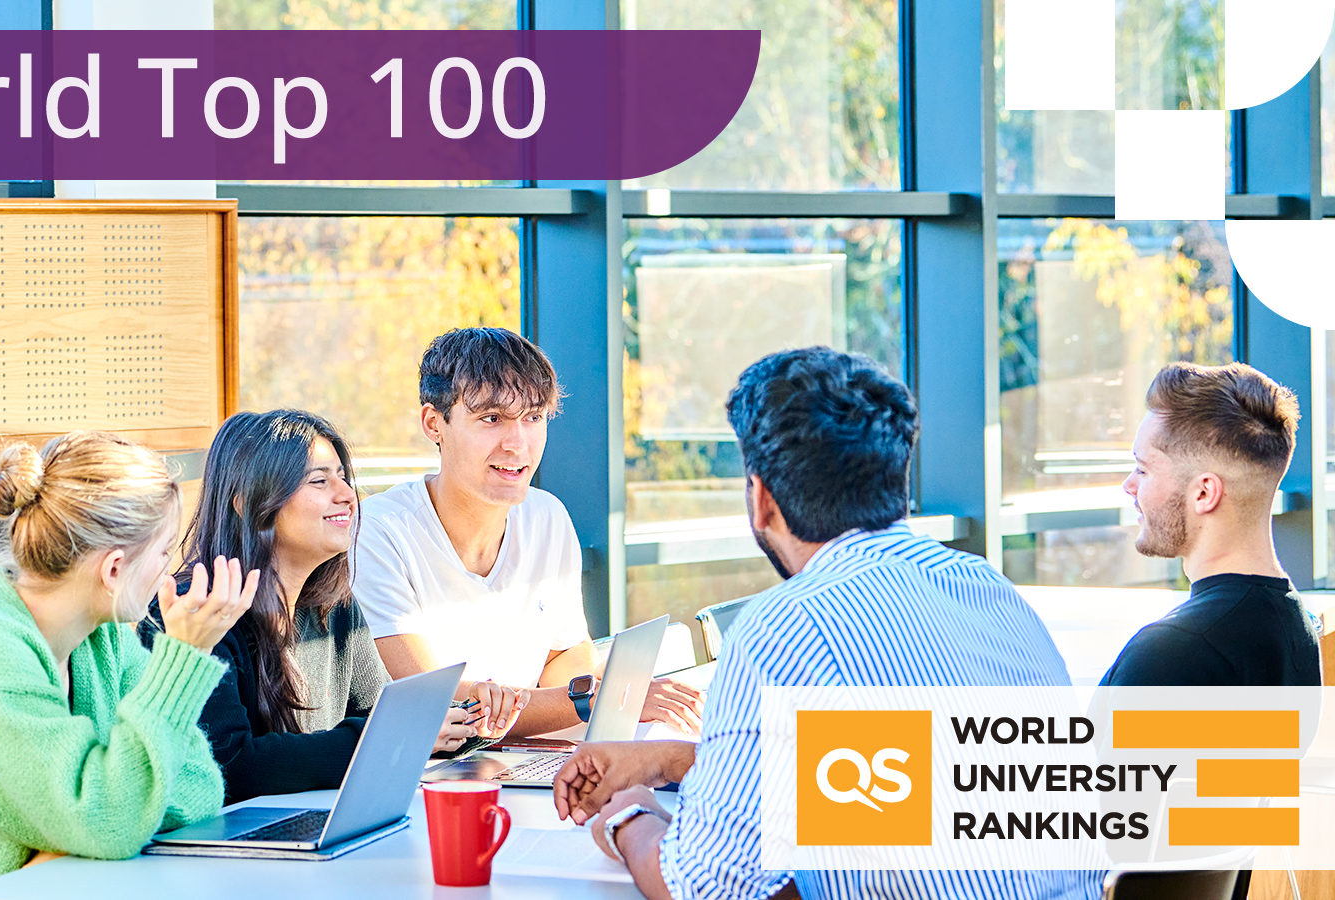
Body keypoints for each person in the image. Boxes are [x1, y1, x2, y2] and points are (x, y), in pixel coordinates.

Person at [550, 347, 1099, 900]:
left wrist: (628, 820)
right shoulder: (986, 589)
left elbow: (707, 888)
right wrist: (674, 760)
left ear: (761, 499)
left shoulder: (786, 627)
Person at [0, 432, 259, 900]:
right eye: (164, 552)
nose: (169, 568)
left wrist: (95, 826)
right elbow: (112, 820)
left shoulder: (103, 638)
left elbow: (200, 789)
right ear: (114, 569)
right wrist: (183, 662)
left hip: (44, 883)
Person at [139, 410, 525, 805]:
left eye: (342, 477)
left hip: (314, 831)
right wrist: (394, 733)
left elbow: (377, 720)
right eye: (320, 481)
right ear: (249, 503)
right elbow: (231, 766)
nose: (345, 494)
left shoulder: (335, 608)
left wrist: (469, 721)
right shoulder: (190, 614)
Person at [352, 327, 702, 737]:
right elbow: (437, 700)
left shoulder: (546, 516)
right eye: (492, 419)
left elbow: (563, 658)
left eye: (533, 417)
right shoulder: (376, 531)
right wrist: (600, 700)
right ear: (435, 424)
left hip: (520, 761)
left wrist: (620, 688)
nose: (517, 444)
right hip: (433, 777)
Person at [1103, 362, 1321, 686]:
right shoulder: (1300, 632)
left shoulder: (1169, 656)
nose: (1129, 485)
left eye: (1143, 469)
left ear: (1204, 493)